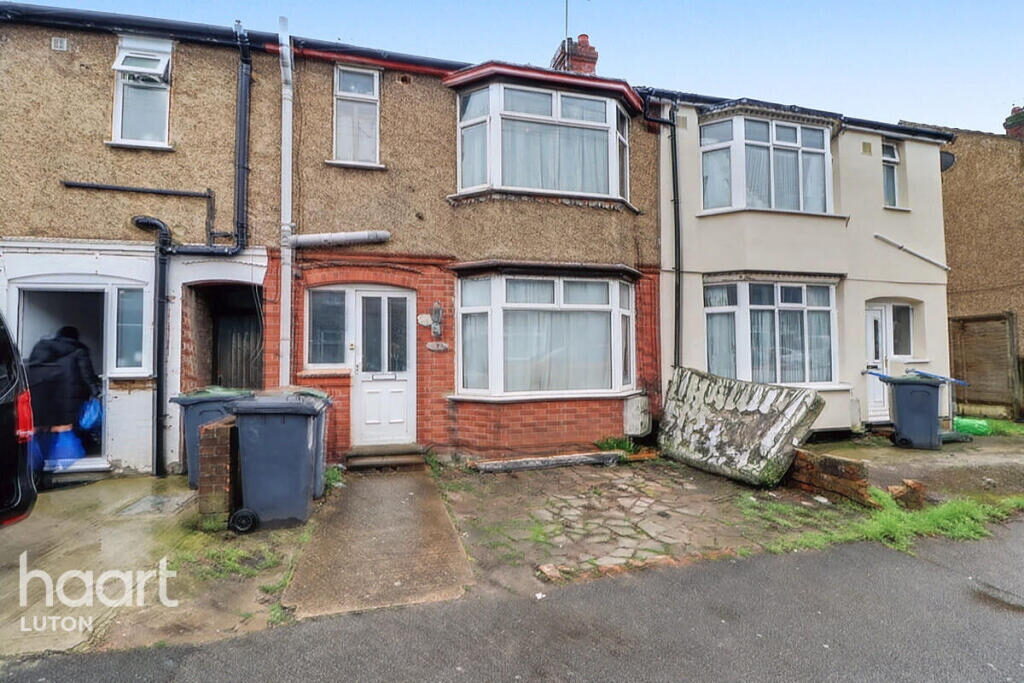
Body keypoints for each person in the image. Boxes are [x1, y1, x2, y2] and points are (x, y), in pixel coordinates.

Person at [26, 326, 102, 434]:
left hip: (44, 394)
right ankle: (68, 448)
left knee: (46, 426)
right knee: (69, 426)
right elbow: (87, 375)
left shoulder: (43, 348)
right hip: (71, 395)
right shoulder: (79, 351)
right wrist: (96, 391)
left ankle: (45, 449)